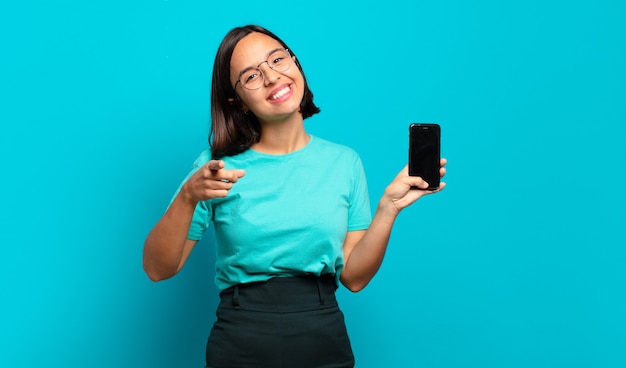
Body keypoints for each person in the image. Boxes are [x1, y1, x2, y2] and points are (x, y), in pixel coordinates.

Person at [143, 24, 447, 368]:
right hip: (240, 336)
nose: (272, 77)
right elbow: (157, 269)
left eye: (277, 59)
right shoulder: (214, 169)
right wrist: (187, 197)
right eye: (252, 76)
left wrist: (388, 209)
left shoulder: (344, 162)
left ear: (295, 63)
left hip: (322, 333)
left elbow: (354, 278)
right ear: (236, 100)